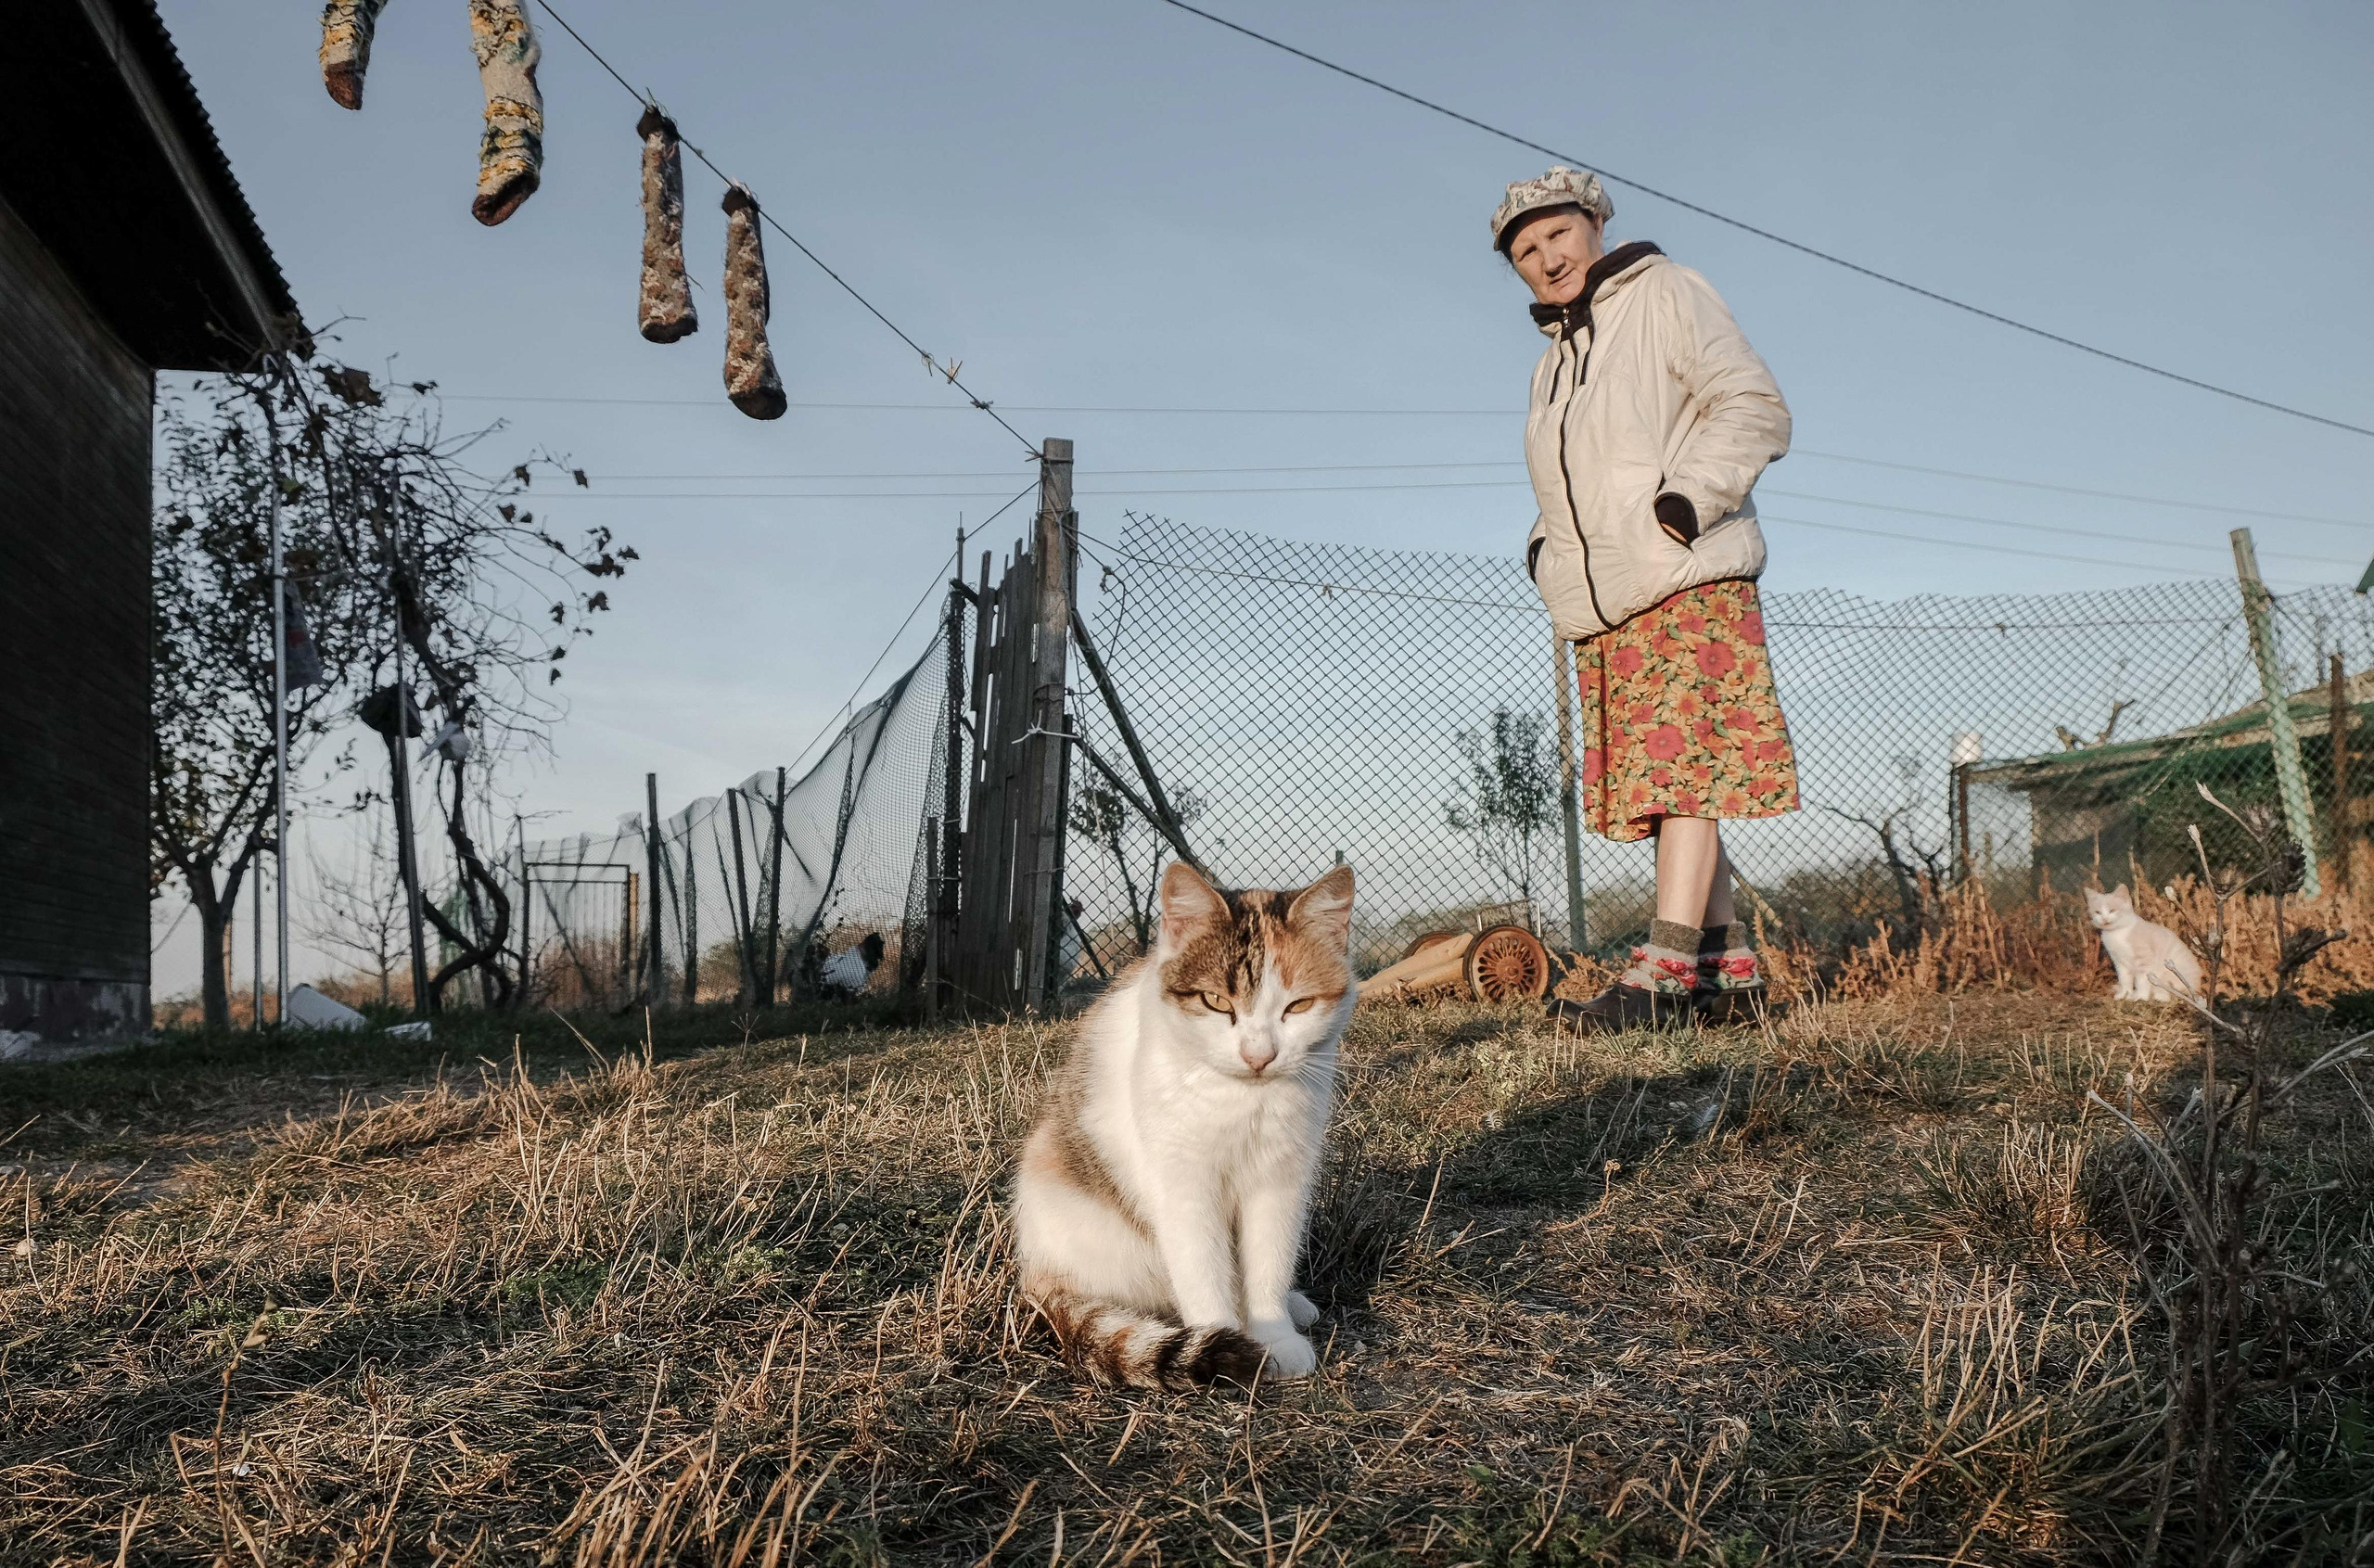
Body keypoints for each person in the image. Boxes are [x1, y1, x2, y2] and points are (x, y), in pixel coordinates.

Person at [1492, 166, 1799, 1030]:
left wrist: (1683, 505)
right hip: (1614, 598)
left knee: (1685, 773)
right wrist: (1545, 548)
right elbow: (1570, 487)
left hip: (1685, 573)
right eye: (1525, 251)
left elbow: (1753, 402)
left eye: (1557, 235)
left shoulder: (1664, 292)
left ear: (1593, 223)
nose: (1547, 258)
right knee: (1668, 784)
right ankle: (1730, 981)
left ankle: (1661, 979)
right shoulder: (1552, 364)